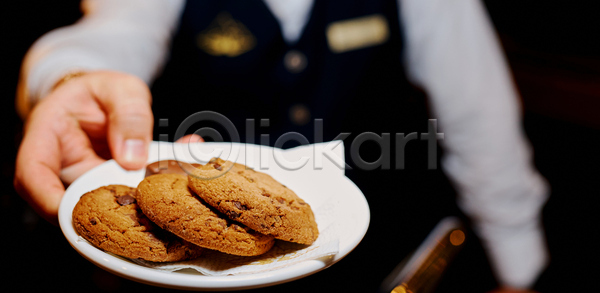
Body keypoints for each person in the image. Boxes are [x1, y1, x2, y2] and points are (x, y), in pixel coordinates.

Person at [14, 0, 549, 292]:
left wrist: (517, 264)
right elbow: (112, 30)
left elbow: (479, 113)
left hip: (372, 251)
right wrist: (67, 78)